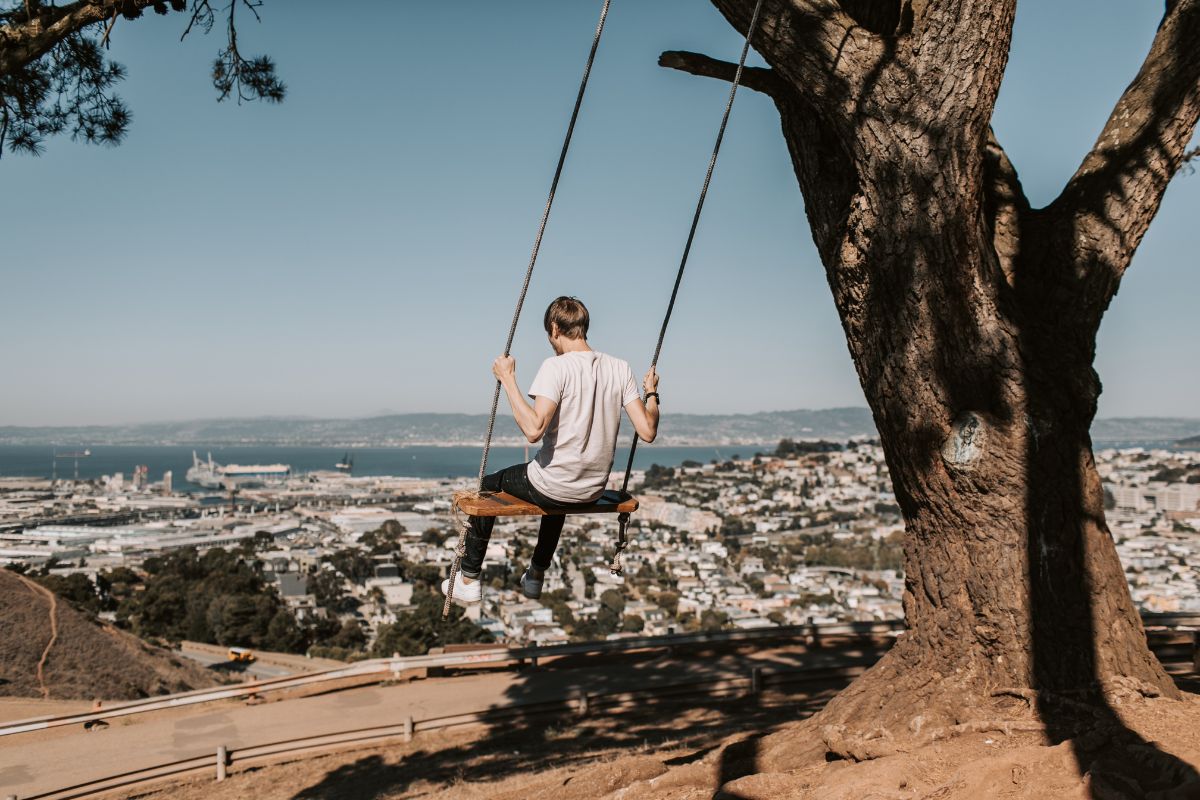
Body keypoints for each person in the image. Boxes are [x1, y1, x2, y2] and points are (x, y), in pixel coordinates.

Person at [442, 296, 660, 604]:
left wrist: (508, 380)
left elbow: (533, 429)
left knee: (488, 486)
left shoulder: (555, 367)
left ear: (555, 328)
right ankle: (537, 572)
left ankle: (469, 578)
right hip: (592, 490)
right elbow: (648, 431)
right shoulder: (620, 368)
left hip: (554, 486)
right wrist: (651, 392)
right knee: (556, 486)